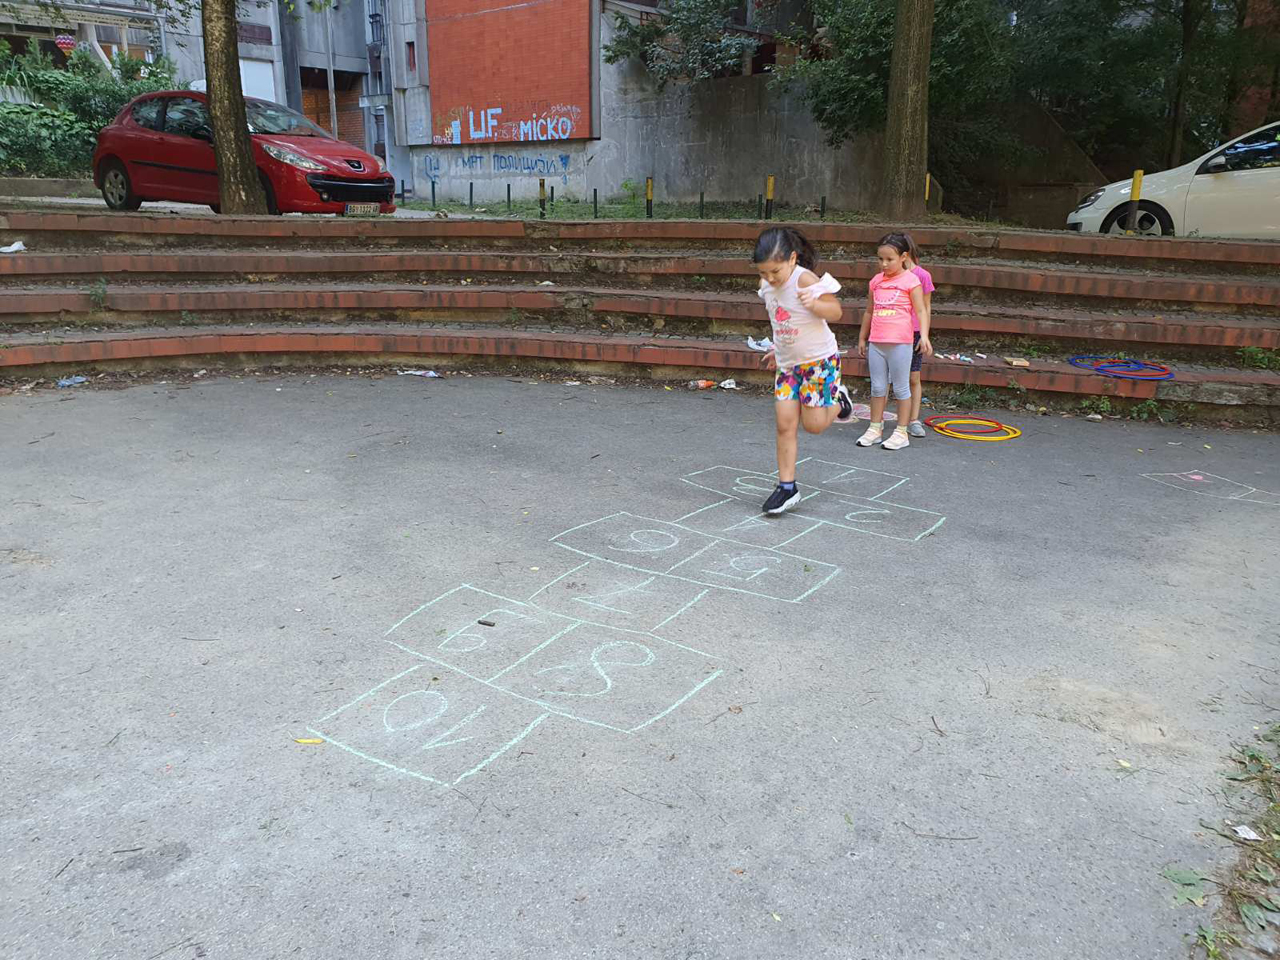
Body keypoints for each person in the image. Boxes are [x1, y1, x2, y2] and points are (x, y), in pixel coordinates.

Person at [753, 227, 855, 515]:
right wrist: (778, 348)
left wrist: (816, 303)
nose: (770, 278)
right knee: (784, 424)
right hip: (788, 365)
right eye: (763, 273)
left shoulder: (804, 279)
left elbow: (836, 311)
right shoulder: (766, 285)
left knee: (814, 426)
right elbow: (782, 321)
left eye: (775, 271)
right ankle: (787, 487)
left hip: (818, 361)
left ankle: (840, 401)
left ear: (792, 259)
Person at [856, 233, 933, 450]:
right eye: (880, 259)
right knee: (877, 387)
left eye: (889, 259)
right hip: (877, 343)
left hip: (900, 344)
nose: (884, 264)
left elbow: (921, 310)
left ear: (903, 257)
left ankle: (901, 432)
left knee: (901, 388)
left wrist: (924, 336)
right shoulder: (876, 281)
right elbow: (869, 311)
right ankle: (875, 428)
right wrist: (862, 337)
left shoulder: (911, 281)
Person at [902, 234, 936, 438]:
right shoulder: (888, 274)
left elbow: (926, 307)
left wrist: (925, 335)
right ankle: (879, 420)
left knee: (913, 376)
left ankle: (913, 420)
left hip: (914, 332)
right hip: (893, 331)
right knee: (889, 378)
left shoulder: (923, 275)